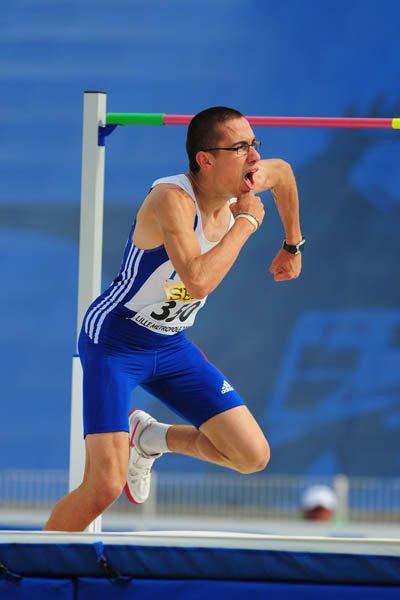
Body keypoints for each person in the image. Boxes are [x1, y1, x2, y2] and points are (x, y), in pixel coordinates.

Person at [44, 106, 304, 531]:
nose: (255, 157)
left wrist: (293, 245)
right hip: (115, 342)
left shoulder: (252, 177)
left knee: (251, 455)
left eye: (255, 144)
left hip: (170, 344)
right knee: (103, 486)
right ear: (206, 159)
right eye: (241, 148)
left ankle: (149, 438)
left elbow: (286, 174)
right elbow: (198, 281)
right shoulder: (172, 199)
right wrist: (245, 224)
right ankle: (22, 576)